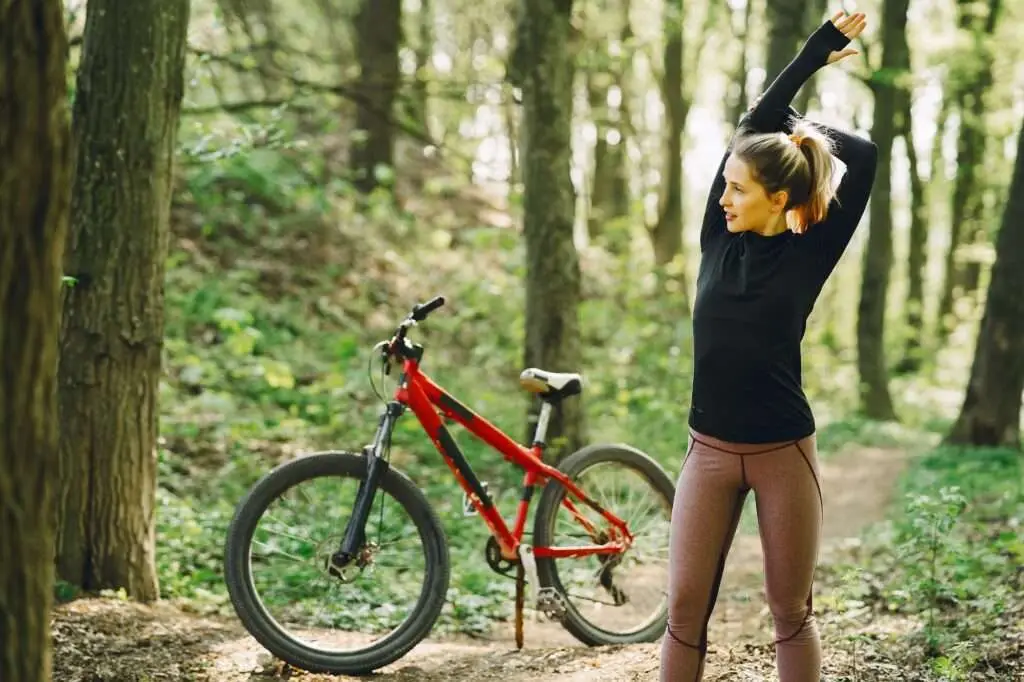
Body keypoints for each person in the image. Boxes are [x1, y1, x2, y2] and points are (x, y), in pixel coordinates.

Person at [659, 10, 877, 682]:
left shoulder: (811, 249)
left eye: (739, 189)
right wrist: (816, 51)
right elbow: (756, 119)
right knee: (684, 609)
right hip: (709, 452)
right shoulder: (716, 236)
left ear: (778, 197)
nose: (724, 197)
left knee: (790, 609)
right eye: (724, 184)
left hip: (784, 451)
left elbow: (861, 155)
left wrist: (804, 135)